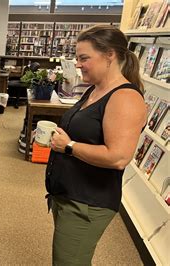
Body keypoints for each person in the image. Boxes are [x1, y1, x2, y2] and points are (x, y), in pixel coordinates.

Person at [45, 25, 146, 265]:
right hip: (69, 196)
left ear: (110, 54)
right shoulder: (96, 89)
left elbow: (118, 157)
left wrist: (68, 146)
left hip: (87, 203)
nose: (78, 64)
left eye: (84, 58)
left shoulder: (125, 97)